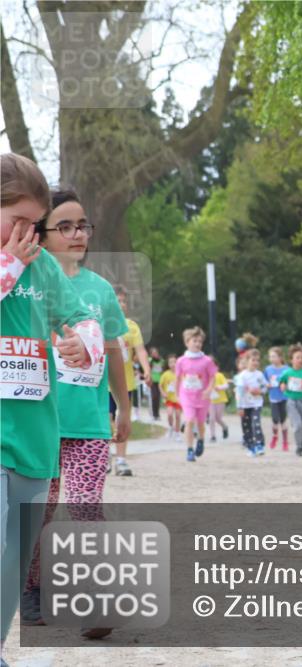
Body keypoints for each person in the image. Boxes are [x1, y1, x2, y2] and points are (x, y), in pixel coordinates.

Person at [1, 153, 103, 661]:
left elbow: (83, 315)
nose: (28, 233)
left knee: (16, 560)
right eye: (16, 221)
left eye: (33, 223)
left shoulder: (43, 265)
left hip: (36, 437)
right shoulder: (19, 261)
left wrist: (82, 343)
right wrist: (9, 265)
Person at [20, 188, 131, 636]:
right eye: (64, 226)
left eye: (82, 224)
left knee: (85, 506)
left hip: (86, 423)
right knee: (39, 515)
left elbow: (113, 350)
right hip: (40, 422)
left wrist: (122, 405)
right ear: (41, 235)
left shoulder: (100, 290)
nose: (77, 233)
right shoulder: (25, 283)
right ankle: (32, 588)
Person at [112, 287, 150, 476]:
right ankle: (104, 457)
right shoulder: (101, 324)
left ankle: (121, 460)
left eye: (124, 301)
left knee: (122, 420)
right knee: (105, 420)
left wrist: (146, 369)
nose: (122, 304)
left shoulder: (131, 326)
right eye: (117, 300)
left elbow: (140, 350)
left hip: (125, 382)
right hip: (103, 384)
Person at [175, 326, 217, 462]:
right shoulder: (181, 361)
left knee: (200, 423)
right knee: (189, 421)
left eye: (200, 341)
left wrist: (209, 389)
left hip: (202, 396)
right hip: (186, 396)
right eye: (194, 341)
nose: (197, 343)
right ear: (187, 342)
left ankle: (201, 439)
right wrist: (177, 394)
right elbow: (177, 378)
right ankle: (189, 450)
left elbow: (212, 377)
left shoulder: (207, 361)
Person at [279, 344, 302, 457]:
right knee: (297, 426)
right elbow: (281, 383)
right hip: (291, 401)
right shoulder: (287, 373)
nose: (300, 360)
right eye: (297, 357)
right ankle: (299, 447)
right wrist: (282, 386)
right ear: (292, 360)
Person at [234, 349, 268, 457]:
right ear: (247, 360)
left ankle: (259, 445)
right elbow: (239, 392)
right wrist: (239, 407)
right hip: (244, 405)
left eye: (257, 360)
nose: (256, 363)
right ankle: (250, 446)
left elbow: (265, 386)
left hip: (256, 404)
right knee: (246, 427)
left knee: (256, 423)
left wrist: (261, 391)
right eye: (253, 360)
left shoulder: (260, 374)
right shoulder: (242, 376)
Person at [264, 346, 290, 451]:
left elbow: (291, 381)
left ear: (280, 357)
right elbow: (263, 381)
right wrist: (267, 385)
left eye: (274, 356)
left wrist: (285, 385)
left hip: (284, 397)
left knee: (283, 420)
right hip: (273, 397)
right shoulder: (268, 369)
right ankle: (275, 437)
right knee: (275, 420)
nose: (272, 359)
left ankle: (285, 441)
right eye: (270, 357)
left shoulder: (287, 369)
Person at [159, 353, 182, 440]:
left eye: (174, 362)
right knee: (169, 414)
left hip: (178, 399)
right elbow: (160, 385)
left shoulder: (180, 374)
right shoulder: (165, 374)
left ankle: (177, 432)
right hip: (169, 399)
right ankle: (170, 427)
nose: (173, 364)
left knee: (178, 416)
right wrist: (163, 393)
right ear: (168, 364)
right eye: (170, 362)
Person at [208, 363, 230, 442]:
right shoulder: (207, 376)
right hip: (211, 400)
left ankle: (225, 427)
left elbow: (226, 385)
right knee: (211, 418)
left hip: (220, 400)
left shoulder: (220, 375)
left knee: (218, 418)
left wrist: (219, 387)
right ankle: (212, 436)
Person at [148, 346, 165, 421]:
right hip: (152, 381)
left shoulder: (162, 361)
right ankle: (154, 414)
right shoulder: (150, 360)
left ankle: (157, 414)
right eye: (153, 353)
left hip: (160, 381)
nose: (155, 354)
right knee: (154, 397)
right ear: (151, 354)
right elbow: (148, 370)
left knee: (158, 398)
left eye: (156, 352)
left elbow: (163, 371)